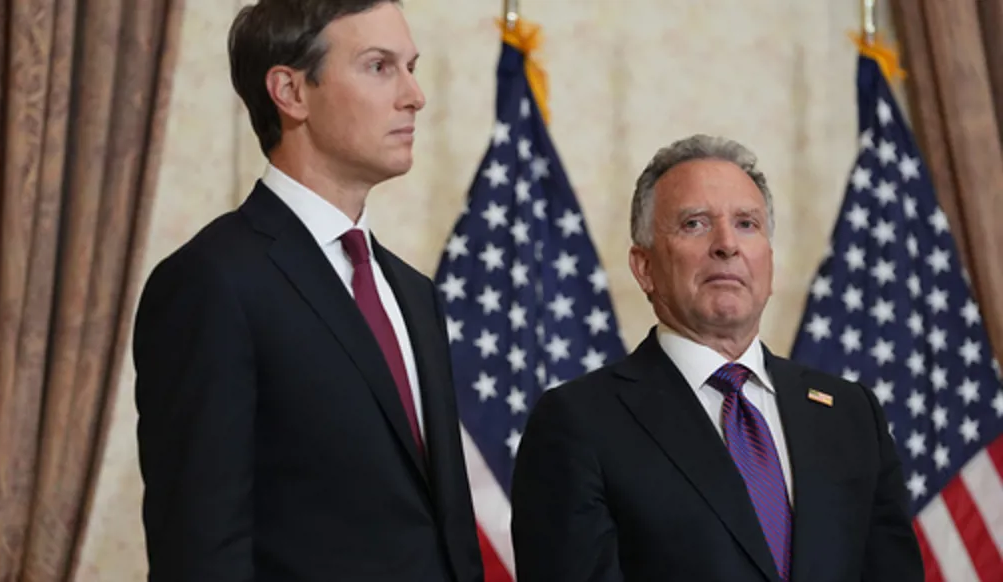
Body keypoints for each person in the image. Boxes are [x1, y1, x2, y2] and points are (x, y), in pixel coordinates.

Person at [132, 1, 483, 580]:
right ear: (291, 92)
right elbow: (199, 551)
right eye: (379, 66)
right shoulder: (211, 282)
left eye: (412, 67)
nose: (415, 96)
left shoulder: (415, 294)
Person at [510, 134, 924, 582]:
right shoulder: (579, 422)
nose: (727, 244)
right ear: (645, 267)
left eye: (747, 223)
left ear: (769, 261)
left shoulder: (850, 414)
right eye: (695, 224)